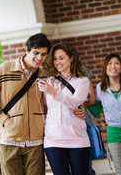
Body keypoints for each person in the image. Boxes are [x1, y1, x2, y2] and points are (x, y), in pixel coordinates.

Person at [0, 33, 51, 175]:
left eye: (43, 54)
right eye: (36, 53)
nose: (39, 58)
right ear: (26, 50)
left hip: (36, 140)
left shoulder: (44, 74)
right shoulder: (3, 70)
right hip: (9, 139)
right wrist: (3, 119)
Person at [38, 42, 90, 175]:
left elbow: (75, 102)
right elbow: (44, 107)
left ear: (71, 58)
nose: (57, 62)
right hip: (53, 140)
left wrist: (54, 93)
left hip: (77, 139)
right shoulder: (48, 82)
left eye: (61, 58)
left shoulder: (82, 81)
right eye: (55, 59)